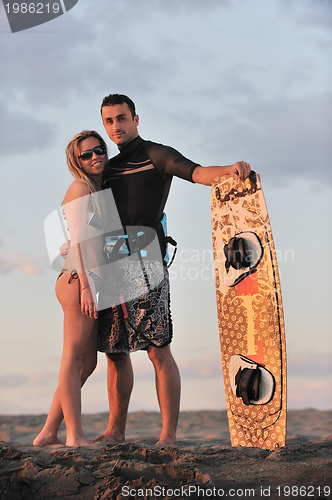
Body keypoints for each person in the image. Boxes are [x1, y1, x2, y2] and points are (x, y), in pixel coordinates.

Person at [93, 94, 251, 446]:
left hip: (147, 262)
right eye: (109, 121)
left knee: (157, 349)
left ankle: (168, 435)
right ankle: (115, 430)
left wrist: (227, 170)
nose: (116, 126)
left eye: (122, 118)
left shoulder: (156, 155)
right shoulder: (106, 168)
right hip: (111, 260)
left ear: (136, 120)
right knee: (116, 352)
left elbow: (197, 173)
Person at [33, 130, 108, 447]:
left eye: (98, 149)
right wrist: (88, 288)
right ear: (76, 162)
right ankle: (74, 435)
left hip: (86, 278)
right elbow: (78, 239)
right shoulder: (80, 187)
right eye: (86, 154)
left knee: (86, 363)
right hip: (79, 281)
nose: (95, 157)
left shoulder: (96, 190)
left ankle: (48, 432)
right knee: (72, 358)